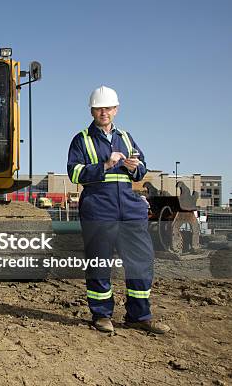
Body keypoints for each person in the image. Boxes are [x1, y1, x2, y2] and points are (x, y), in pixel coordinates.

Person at [67, 85, 170, 334]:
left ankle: (139, 315)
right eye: (100, 108)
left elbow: (142, 167)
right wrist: (105, 164)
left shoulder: (125, 137)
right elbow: (75, 173)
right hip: (99, 207)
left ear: (116, 110)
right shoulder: (81, 139)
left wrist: (135, 167)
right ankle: (102, 315)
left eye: (109, 108)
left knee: (141, 261)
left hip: (129, 206)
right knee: (100, 263)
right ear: (92, 111)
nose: (105, 112)